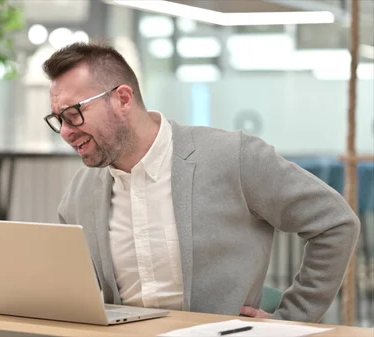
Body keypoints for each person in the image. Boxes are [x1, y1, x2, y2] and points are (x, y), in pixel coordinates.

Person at [41, 42, 360, 323]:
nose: (66, 132)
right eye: (58, 120)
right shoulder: (80, 193)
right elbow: (77, 292)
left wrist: (295, 317)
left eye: (73, 113)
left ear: (123, 99)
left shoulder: (233, 157)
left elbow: (335, 223)